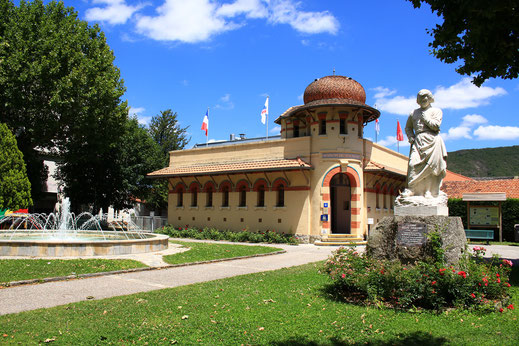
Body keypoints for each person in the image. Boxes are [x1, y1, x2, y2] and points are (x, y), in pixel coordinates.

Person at [403, 89, 447, 198]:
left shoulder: (436, 111)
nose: (423, 100)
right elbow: (408, 128)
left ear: (430, 98)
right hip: (418, 141)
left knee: (431, 168)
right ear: (418, 100)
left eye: (425, 97)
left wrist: (426, 118)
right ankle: (411, 189)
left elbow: (436, 126)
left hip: (432, 140)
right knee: (413, 164)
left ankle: (428, 191)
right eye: (421, 98)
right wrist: (411, 137)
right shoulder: (413, 113)